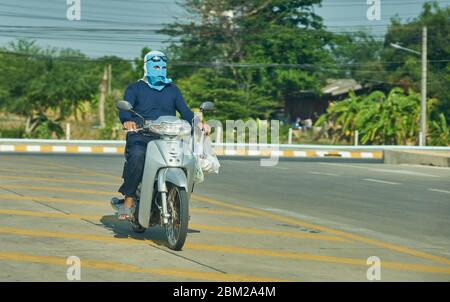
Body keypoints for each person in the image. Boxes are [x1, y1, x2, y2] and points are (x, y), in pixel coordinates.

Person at [117, 50, 209, 220]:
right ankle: (128, 201)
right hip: (141, 135)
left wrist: (199, 123)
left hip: (169, 137)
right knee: (137, 157)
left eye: (163, 66)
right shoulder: (135, 88)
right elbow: (124, 110)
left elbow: (185, 112)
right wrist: (127, 121)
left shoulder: (172, 89)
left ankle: (180, 201)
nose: (160, 69)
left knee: (189, 159)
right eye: (156, 65)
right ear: (147, 66)